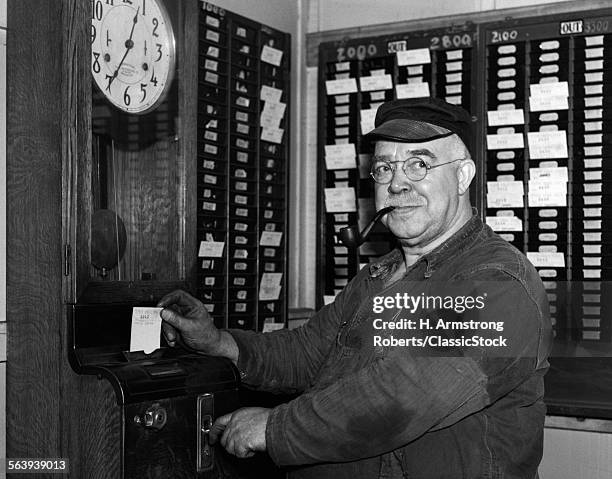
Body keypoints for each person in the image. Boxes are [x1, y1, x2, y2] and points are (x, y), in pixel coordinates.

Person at [158, 97, 552, 478]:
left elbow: (402, 396)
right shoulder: (378, 276)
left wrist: (274, 429)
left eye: (418, 165)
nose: (396, 184)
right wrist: (220, 343)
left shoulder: (499, 283)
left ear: (463, 175)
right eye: (384, 168)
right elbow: (306, 352)